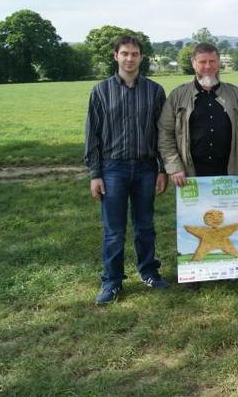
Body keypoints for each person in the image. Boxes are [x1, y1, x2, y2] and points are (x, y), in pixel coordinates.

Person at [85, 36, 170, 305]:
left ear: (141, 58)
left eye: (135, 54)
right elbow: (93, 135)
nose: (130, 58)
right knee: (114, 230)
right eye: (125, 54)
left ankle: (149, 273)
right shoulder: (100, 91)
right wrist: (95, 174)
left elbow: (162, 134)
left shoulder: (155, 91)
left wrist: (162, 169)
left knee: (145, 226)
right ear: (116, 56)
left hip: (146, 167)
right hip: (113, 168)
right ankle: (112, 281)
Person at [158, 42, 238, 187]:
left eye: (212, 61)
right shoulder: (177, 96)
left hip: (229, 174)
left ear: (218, 63)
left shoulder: (236, 94)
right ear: (193, 63)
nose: (208, 66)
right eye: (202, 62)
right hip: (190, 176)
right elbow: (165, 134)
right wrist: (174, 167)